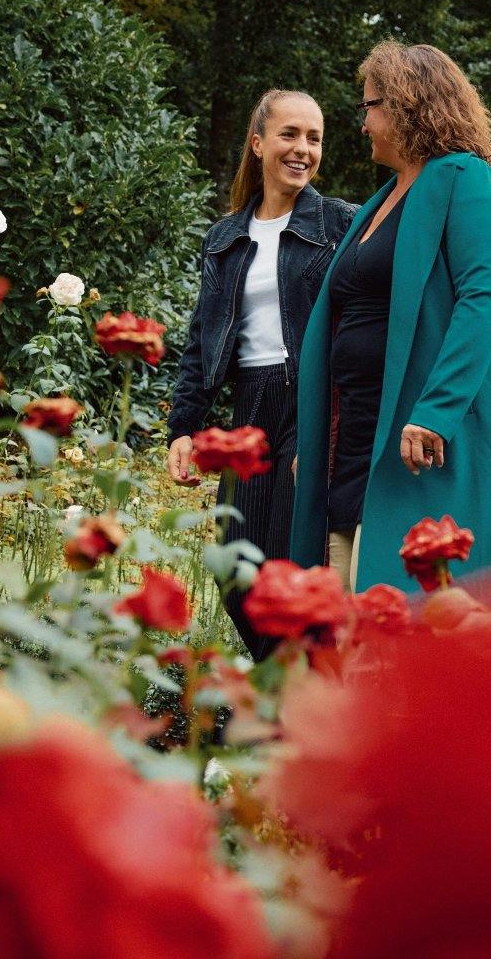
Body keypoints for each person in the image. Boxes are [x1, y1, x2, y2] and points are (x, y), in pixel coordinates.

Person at [291, 42, 491, 600]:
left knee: (415, 610)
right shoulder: (381, 201)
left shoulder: (466, 179)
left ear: (404, 105)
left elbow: (484, 296)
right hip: (364, 428)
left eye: (368, 107)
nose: (364, 123)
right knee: (347, 603)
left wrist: (436, 411)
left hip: (425, 432)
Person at [168, 89, 356, 659]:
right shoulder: (224, 238)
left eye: (314, 138)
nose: (303, 149)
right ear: (258, 143)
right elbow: (202, 341)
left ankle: (304, 703)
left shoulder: (341, 224)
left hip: (315, 401)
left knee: (300, 562)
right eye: (290, 135)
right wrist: (184, 426)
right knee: (237, 567)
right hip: (250, 406)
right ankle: (279, 685)